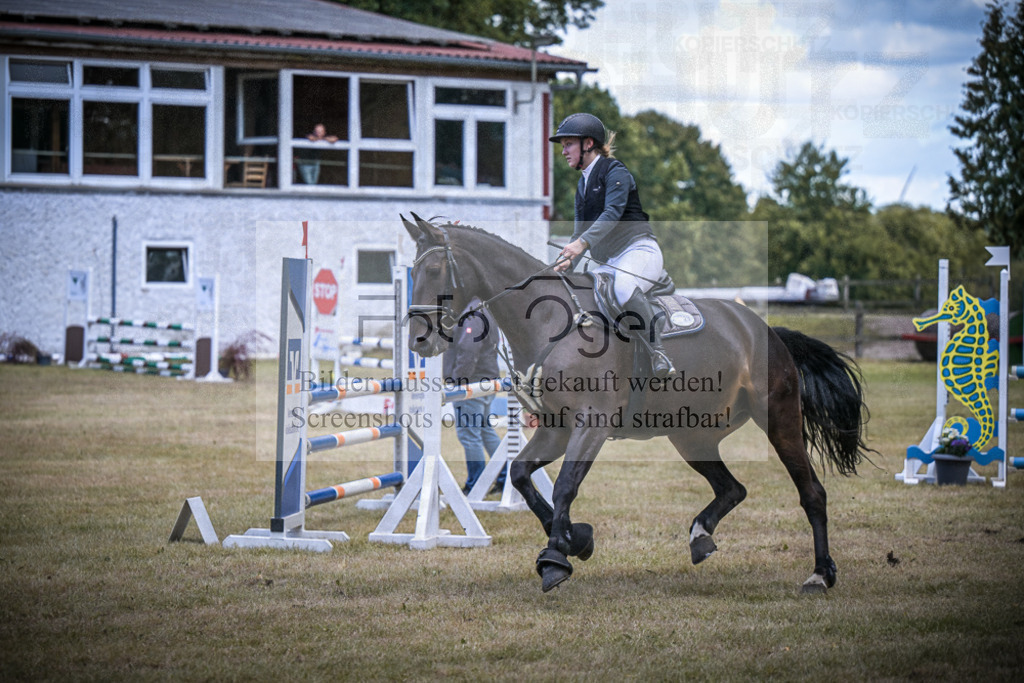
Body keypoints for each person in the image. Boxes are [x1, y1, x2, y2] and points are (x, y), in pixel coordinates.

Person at [549, 112, 675, 378]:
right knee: (585, 294)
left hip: (639, 250)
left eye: (568, 144)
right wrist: (565, 262)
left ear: (588, 144)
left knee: (623, 287)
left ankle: (658, 351)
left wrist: (582, 244)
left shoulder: (615, 171)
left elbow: (612, 213)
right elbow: (578, 233)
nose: (563, 151)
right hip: (611, 261)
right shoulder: (582, 185)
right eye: (563, 146)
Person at [443, 299, 505, 495]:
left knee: (469, 435)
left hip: (472, 383)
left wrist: (457, 382)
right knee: (485, 431)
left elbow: (468, 350)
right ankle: (505, 477)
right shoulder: (482, 308)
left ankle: (476, 484)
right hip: (483, 380)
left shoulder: (472, 313)